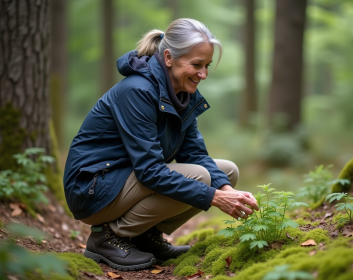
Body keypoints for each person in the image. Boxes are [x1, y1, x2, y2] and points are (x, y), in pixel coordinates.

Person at [63, 18, 259, 271]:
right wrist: (213, 197)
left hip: (125, 178)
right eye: (197, 65)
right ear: (168, 57)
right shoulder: (137, 91)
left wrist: (225, 190)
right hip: (92, 187)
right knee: (201, 179)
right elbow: (150, 171)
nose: (204, 74)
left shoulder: (182, 94)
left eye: (207, 65)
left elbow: (195, 153)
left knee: (227, 172)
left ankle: (145, 236)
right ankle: (108, 237)